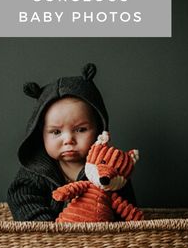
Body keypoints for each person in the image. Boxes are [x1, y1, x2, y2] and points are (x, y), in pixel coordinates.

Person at [7, 63, 136, 221]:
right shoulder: (35, 171)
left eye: (80, 129)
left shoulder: (109, 167)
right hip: (48, 241)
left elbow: (127, 208)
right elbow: (22, 198)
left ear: (99, 130)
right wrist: (44, 225)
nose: (68, 140)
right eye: (56, 132)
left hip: (101, 240)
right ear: (41, 134)